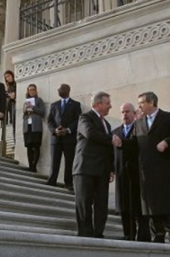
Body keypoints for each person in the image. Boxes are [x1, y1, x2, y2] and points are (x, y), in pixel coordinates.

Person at [114, 92, 170, 244]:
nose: (139, 106)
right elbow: (133, 144)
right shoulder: (138, 123)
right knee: (151, 204)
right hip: (146, 171)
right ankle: (158, 233)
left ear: (151, 102)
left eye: (141, 103)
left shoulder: (169, 118)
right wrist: (121, 143)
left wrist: (166, 142)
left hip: (165, 169)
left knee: (168, 201)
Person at [72, 91, 114, 238]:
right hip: (85, 168)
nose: (110, 106)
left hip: (102, 170)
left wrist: (111, 169)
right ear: (97, 104)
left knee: (102, 204)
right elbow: (90, 134)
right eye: (107, 103)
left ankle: (98, 233)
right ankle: (85, 233)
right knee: (84, 202)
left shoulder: (107, 124)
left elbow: (109, 149)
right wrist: (111, 139)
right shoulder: (85, 118)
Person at [113, 103, 150, 242]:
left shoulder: (141, 129)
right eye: (122, 112)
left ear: (134, 113)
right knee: (124, 206)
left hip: (138, 175)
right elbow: (112, 154)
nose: (124, 114)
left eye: (127, 111)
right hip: (122, 175)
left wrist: (122, 142)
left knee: (140, 206)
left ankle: (143, 236)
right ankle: (128, 234)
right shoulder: (115, 132)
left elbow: (137, 145)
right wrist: (111, 170)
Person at [46, 84, 82, 190]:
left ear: (67, 90)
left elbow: (78, 120)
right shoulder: (54, 105)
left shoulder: (75, 104)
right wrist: (54, 130)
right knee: (54, 160)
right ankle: (52, 180)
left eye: (60, 89)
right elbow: (49, 121)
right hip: (56, 138)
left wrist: (68, 130)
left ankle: (68, 183)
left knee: (69, 161)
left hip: (69, 138)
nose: (58, 90)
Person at [22, 84, 46, 172]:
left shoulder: (39, 100)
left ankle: (34, 165)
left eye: (33, 90)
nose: (31, 91)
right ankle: (30, 165)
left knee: (36, 145)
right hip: (27, 125)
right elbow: (23, 114)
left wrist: (33, 107)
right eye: (30, 90)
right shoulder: (26, 101)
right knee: (29, 146)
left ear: (36, 91)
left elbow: (43, 112)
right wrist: (25, 110)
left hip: (36, 126)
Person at [4, 70, 17, 142]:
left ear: (12, 75)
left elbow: (14, 96)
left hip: (16, 104)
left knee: (16, 124)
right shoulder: (9, 86)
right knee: (13, 125)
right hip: (11, 106)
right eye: (6, 77)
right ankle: (15, 142)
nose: (7, 78)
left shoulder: (16, 84)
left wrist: (12, 95)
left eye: (8, 76)